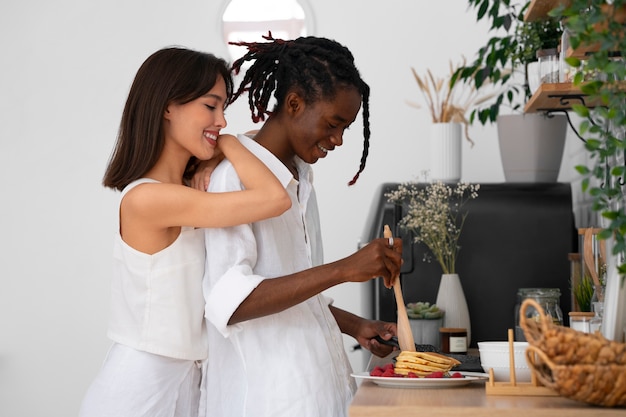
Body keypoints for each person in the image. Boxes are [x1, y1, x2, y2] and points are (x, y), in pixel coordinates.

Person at [194, 33, 403, 417]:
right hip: (267, 401)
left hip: (320, 393)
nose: (339, 140)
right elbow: (231, 302)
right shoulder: (232, 180)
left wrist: (354, 325)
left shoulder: (302, 176)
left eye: (346, 128)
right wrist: (343, 269)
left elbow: (291, 288)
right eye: (333, 123)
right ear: (294, 103)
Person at [78, 46, 291, 417]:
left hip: (185, 380)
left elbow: (266, 143)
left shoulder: (187, 189)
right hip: (137, 386)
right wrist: (228, 144)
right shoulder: (148, 199)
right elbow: (275, 198)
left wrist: (218, 153)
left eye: (224, 109)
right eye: (211, 107)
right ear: (167, 107)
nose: (222, 120)